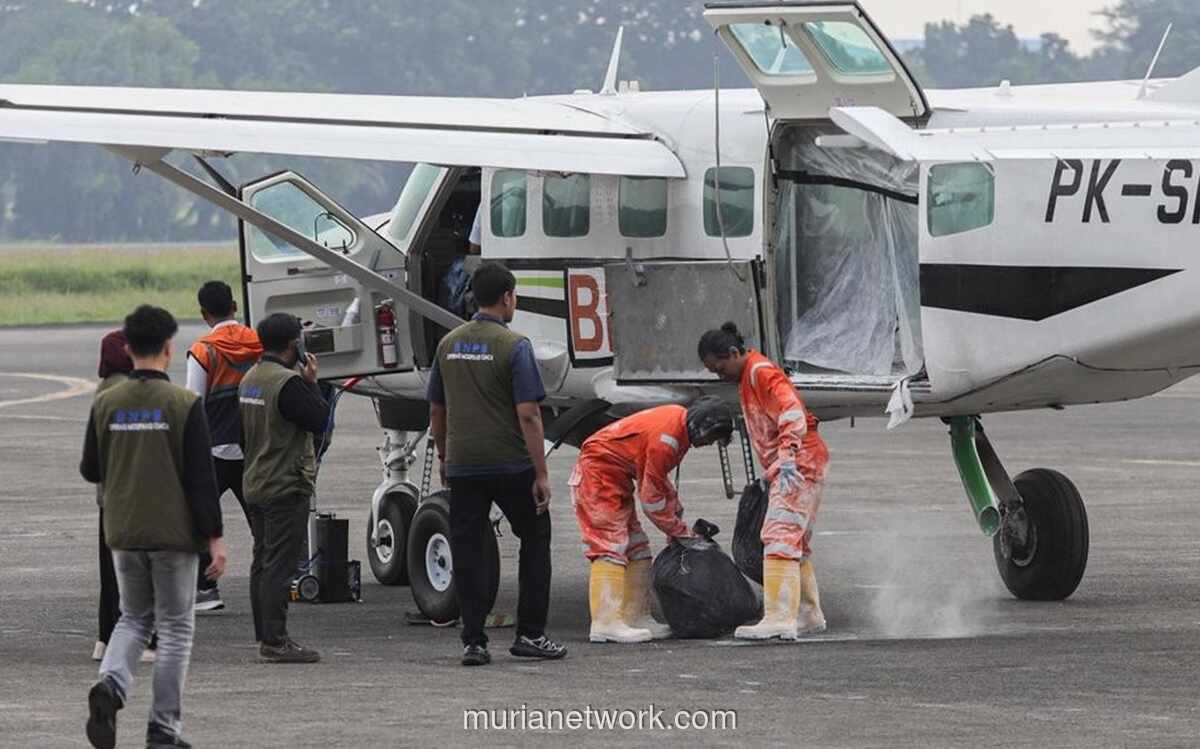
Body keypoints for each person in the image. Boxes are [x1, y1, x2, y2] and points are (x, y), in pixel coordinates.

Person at [80, 305, 227, 749]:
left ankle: (112, 685)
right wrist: (214, 539)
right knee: (176, 627)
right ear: (168, 348)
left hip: (122, 530)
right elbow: (203, 478)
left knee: (132, 617)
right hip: (173, 534)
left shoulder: (106, 402)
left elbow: (91, 468)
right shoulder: (183, 404)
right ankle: (163, 729)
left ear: (127, 348)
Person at [428, 261, 567, 667]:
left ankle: (473, 641)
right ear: (508, 297)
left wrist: (442, 454)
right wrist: (540, 473)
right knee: (535, 538)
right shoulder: (515, 346)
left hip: (464, 465)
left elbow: (437, 409)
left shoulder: (448, 344)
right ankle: (530, 634)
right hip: (510, 465)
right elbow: (528, 413)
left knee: (468, 550)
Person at [698, 322, 830, 641]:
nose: (720, 376)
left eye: (720, 368)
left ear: (733, 353)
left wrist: (786, 457)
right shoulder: (751, 373)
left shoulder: (760, 372)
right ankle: (807, 613)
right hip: (801, 461)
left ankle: (779, 617)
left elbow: (792, 413)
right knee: (794, 541)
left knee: (779, 537)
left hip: (797, 463)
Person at [571, 399, 734, 643]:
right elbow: (651, 499)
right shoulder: (666, 442)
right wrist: (679, 531)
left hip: (615, 476)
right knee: (609, 546)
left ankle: (636, 617)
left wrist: (676, 512)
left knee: (638, 548)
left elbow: (657, 480)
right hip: (597, 476)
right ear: (702, 429)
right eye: (710, 440)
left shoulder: (679, 422)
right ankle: (605, 623)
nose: (706, 445)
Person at [239, 313, 329, 664]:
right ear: (296, 345)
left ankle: (265, 633)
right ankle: (275, 640)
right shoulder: (287, 384)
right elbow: (320, 420)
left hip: (256, 481)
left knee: (262, 561)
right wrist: (312, 383)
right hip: (284, 485)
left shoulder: (251, 378)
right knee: (279, 564)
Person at [185, 280, 263, 613]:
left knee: (198, 518)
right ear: (234, 306)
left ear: (204, 314)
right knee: (263, 522)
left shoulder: (203, 350)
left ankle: (207, 589)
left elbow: (192, 403)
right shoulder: (259, 343)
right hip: (255, 450)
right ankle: (273, 583)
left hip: (214, 451)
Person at [92, 330, 158, 665]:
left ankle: (105, 638)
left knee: (110, 571)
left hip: (109, 497)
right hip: (135, 497)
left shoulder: (103, 390)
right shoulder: (133, 392)